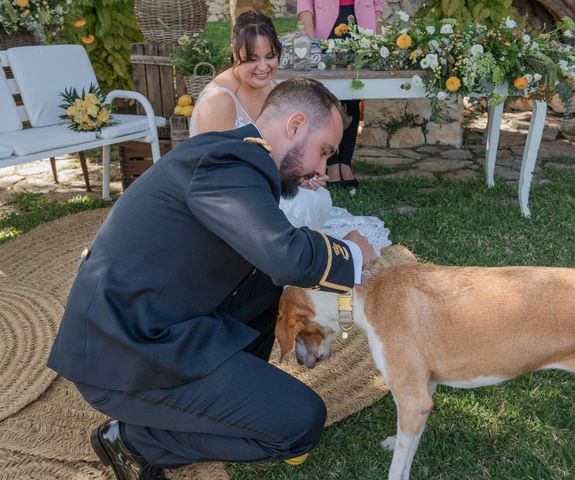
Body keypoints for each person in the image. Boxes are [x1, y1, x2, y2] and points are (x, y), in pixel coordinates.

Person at [47, 78, 378, 480]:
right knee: (300, 422)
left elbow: (272, 258)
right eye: (324, 152)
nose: (322, 169)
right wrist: (352, 252)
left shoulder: (233, 154)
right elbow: (284, 253)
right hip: (121, 355)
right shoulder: (230, 163)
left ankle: (222, 401)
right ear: (294, 126)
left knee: (268, 283)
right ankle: (133, 440)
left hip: (152, 323)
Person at [190, 10, 391, 254]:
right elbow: (215, 171)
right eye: (252, 59)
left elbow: (282, 151)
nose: (263, 67)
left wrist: (301, 174)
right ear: (235, 53)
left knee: (319, 199)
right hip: (232, 194)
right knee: (300, 207)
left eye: (270, 56)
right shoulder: (219, 101)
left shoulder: (273, 88)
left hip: (266, 181)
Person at [297, 0, 384, 189]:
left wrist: (376, 32)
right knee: (327, 101)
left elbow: (378, 4)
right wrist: (311, 41)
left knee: (352, 97)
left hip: (361, 27)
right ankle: (332, 164)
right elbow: (304, 5)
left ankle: (346, 164)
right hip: (326, 28)